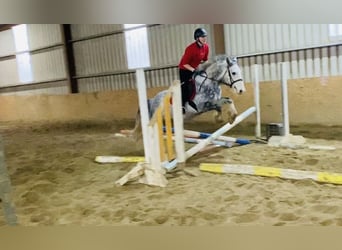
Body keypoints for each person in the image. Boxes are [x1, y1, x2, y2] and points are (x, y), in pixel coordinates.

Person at [178, 27, 209, 113]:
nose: (204, 38)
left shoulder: (206, 47)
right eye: (202, 37)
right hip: (184, 69)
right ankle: (182, 105)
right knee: (185, 86)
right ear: (197, 38)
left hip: (194, 68)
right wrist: (193, 70)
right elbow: (184, 63)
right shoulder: (190, 48)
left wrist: (203, 68)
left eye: (205, 36)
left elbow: (205, 60)